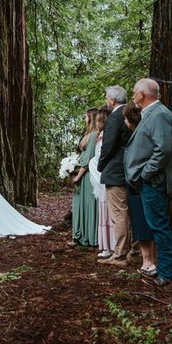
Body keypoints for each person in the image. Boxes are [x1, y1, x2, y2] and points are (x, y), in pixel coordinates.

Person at [124, 78, 172, 286]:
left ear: (141, 95)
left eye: (134, 92)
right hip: (148, 181)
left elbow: (163, 150)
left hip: (154, 182)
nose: (132, 96)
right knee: (156, 225)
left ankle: (167, 273)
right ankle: (165, 271)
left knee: (159, 226)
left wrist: (145, 174)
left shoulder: (160, 115)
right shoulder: (151, 114)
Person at [96, 85, 134, 267]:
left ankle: (120, 254)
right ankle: (132, 251)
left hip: (115, 171)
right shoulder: (131, 114)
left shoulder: (114, 117)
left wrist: (101, 165)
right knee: (128, 213)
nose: (106, 101)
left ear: (112, 100)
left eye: (106, 98)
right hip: (129, 170)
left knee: (119, 214)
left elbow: (108, 146)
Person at [122, 102, 158, 278]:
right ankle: (148, 260)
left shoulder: (141, 132)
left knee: (143, 223)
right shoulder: (136, 132)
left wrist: (141, 175)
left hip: (139, 182)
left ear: (130, 119)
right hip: (135, 182)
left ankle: (149, 262)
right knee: (140, 222)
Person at [69, 108, 99, 247]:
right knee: (80, 204)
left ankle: (88, 236)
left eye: (86, 117)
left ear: (91, 118)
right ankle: (80, 234)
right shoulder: (89, 134)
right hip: (83, 173)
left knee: (88, 204)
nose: (84, 119)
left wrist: (77, 177)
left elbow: (87, 160)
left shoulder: (94, 135)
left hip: (87, 177)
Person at [88, 106, 115, 258]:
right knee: (104, 211)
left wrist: (93, 163)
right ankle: (106, 246)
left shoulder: (105, 136)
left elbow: (101, 157)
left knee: (109, 212)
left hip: (105, 177)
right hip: (102, 177)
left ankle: (111, 246)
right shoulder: (102, 135)